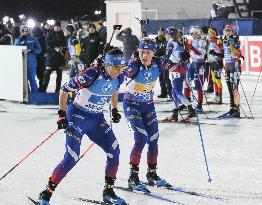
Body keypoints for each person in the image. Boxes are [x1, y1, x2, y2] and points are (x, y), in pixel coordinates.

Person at [36, 48, 128, 205]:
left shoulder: (118, 77)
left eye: (121, 68)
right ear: (107, 65)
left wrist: (114, 109)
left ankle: (108, 191)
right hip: (77, 117)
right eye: (115, 68)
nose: (118, 72)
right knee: (71, 157)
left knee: (114, 150)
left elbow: (115, 88)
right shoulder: (91, 74)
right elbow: (64, 89)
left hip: (96, 119)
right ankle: (46, 193)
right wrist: (61, 114)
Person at [117, 38, 170, 191]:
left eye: (147, 52)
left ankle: (152, 174)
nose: (144, 55)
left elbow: (177, 68)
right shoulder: (134, 65)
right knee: (140, 139)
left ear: (153, 53)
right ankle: (133, 177)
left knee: (153, 139)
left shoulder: (158, 63)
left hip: (148, 107)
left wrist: (184, 63)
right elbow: (118, 74)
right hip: (132, 106)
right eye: (141, 52)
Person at [162, 27, 195, 121]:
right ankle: (175, 113)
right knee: (175, 93)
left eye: (166, 33)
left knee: (177, 92)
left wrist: (164, 64)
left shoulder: (171, 42)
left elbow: (167, 56)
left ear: (170, 34)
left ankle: (191, 109)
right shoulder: (178, 43)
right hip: (179, 69)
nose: (165, 35)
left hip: (175, 69)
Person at [184, 26, 207, 112]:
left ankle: (200, 105)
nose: (191, 35)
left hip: (200, 64)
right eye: (190, 34)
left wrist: (191, 47)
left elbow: (200, 53)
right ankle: (187, 103)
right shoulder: (194, 41)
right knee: (187, 82)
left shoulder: (202, 41)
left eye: (192, 33)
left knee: (198, 85)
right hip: (192, 63)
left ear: (197, 33)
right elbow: (191, 52)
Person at [222, 24, 241, 118]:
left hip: (235, 65)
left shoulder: (235, 40)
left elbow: (238, 54)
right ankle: (231, 108)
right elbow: (224, 54)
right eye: (226, 30)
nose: (227, 32)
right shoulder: (224, 40)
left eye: (229, 30)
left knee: (235, 89)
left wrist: (231, 46)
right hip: (227, 66)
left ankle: (237, 110)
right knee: (230, 89)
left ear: (232, 31)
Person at [14, 25, 42, 93]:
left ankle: (35, 95)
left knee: (32, 79)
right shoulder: (17, 40)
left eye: (26, 31)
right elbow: (14, 49)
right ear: (20, 32)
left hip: (31, 62)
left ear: (28, 31)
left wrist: (33, 50)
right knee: (24, 79)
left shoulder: (33, 39)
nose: (24, 32)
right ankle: (26, 94)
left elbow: (39, 50)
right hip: (21, 62)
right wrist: (21, 39)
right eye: (23, 31)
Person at [42, 21, 67, 92]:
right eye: (56, 26)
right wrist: (56, 47)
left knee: (59, 74)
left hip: (60, 57)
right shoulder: (50, 33)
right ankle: (44, 89)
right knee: (47, 72)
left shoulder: (62, 33)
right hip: (51, 58)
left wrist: (60, 47)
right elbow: (48, 44)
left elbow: (64, 43)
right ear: (54, 26)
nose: (57, 28)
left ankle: (57, 90)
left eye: (58, 26)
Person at [207, 27, 224, 104]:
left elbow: (221, 52)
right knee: (214, 80)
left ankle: (220, 97)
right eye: (208, 32)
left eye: (210, 32)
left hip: (218, 63)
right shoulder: (210, 41)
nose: (208, 34)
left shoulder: (218, 40)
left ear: (214, 33)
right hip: (212, 62)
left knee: (218, 80)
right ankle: (216, 96)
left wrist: (214, 52)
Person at [155, 27, 172, 99]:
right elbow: (154, 50)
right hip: (158, 61)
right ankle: (163, 92)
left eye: (162, 32)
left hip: (164, 61)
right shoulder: (156, 41)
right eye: (160, 32)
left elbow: (168, 51)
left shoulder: (167, 41)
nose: (161, 33)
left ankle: (170, 93)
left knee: (166, 77)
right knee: (161, 77)